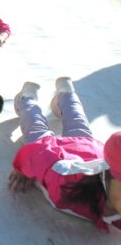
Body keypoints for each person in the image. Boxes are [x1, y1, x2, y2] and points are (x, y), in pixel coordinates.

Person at [9, 79, 121, 232]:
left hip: (91, 150)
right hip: (56, 153)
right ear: (107, 177)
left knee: (77, 119)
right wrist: (22, 167)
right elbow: (38, 153)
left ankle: (66, 92)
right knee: (34, 125)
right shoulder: (65, 181)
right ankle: (27, 97)